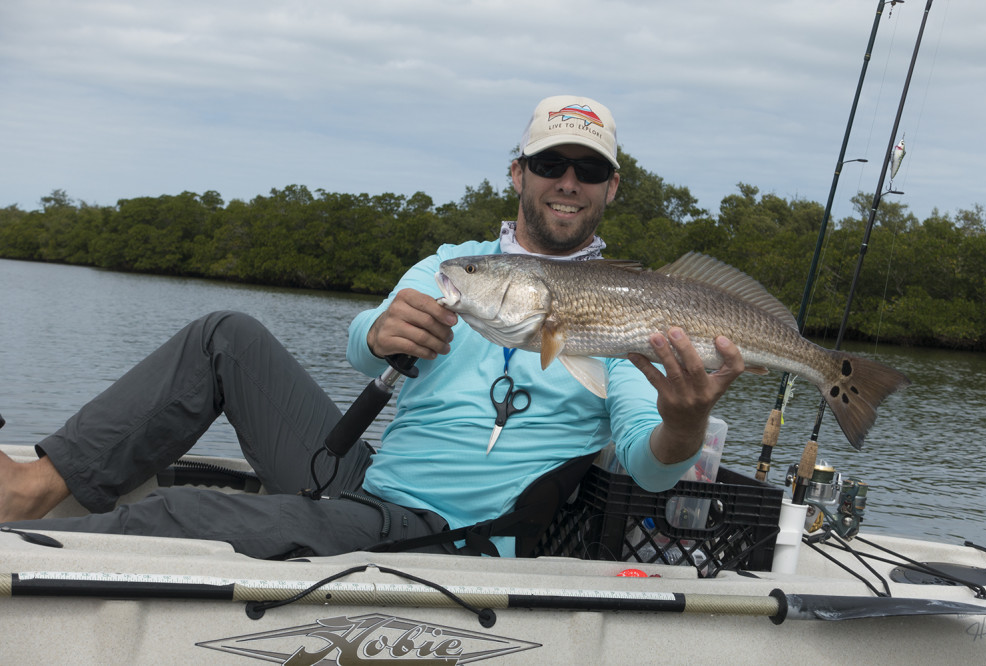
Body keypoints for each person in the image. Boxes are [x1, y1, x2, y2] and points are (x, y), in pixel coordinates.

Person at [0, 95, 745, 559]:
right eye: (552, 161)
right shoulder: (457, 264)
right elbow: (361, 342)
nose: (568, 181)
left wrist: (685, 425)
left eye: (589, 169)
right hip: (364, 481)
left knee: (180, 513)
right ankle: (33, 488)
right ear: (516, 172)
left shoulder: (627, 310)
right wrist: (380, 331)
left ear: (610, 188)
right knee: (223, 333)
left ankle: (15, 554)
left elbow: (651, 465)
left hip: (442, 532)